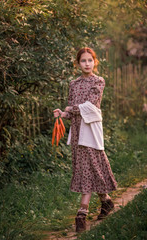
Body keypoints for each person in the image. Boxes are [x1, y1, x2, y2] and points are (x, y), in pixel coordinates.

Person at [53, 47, 117, 232]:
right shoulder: (73, 84)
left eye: (90, 60)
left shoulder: (98, 81)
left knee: (94, 166)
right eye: (83, 60)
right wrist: (63, 113)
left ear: (95, 62)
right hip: (77, 132)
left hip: (91, 131)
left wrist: (70, 109)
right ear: (78, 63)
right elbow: (73, 111)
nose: (87, 63)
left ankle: (82, 212)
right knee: (84, 168)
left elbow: (91, 105)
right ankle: (106, 201)